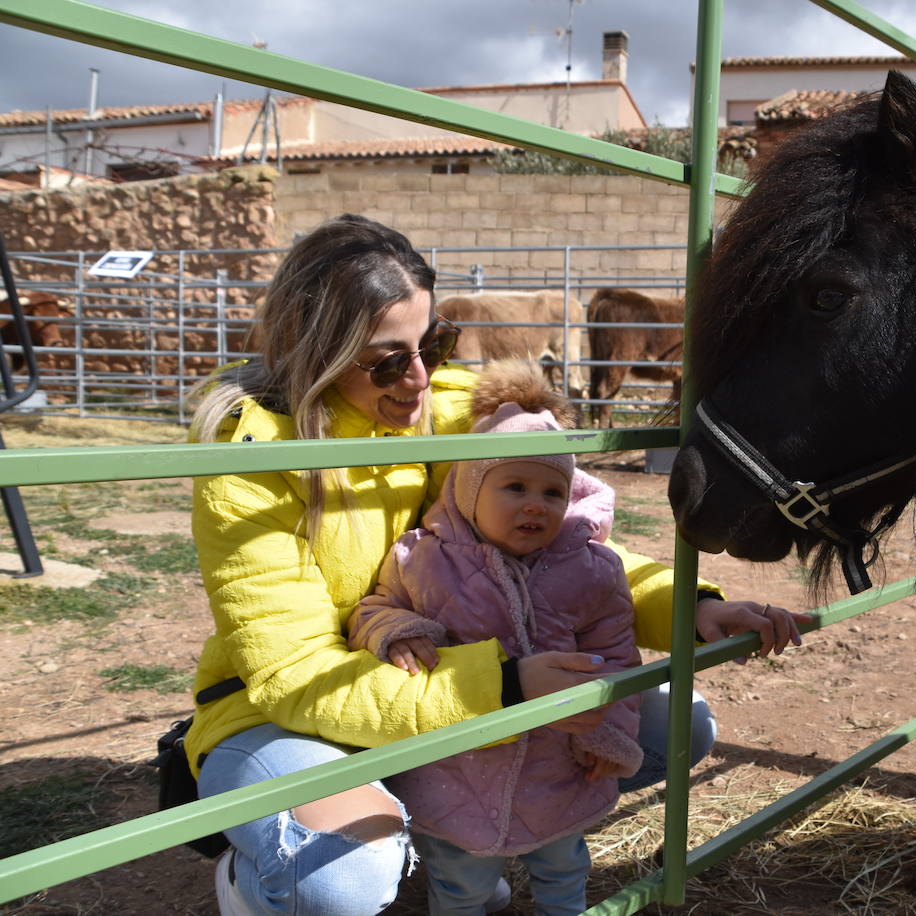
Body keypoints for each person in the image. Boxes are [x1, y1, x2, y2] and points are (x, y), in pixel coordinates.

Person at [185, 213, 806, 916]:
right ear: (316, 350)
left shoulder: (454, 413)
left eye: (435, 342)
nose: (420, 376)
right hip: (290, 715)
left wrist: (691, 608)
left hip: (448, 684)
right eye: (388, 360)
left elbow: (565, 551)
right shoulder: (253, 457)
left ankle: (446, 829)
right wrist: (501, 690)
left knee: (672, 727)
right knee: (339, 880)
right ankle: (260, 881)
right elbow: (295, 676)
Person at [348, 360, 640, 915]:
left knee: (565, 869)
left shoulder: (593, 569)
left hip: (559, 763)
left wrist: (608, 733)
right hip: (457, 769)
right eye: (514, 486)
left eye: (553, 492)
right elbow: (374, 608)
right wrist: (398, 631)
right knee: (460, 883)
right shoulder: (422, 558)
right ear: (468, 489)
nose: (536, 504)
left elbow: (621, 655)